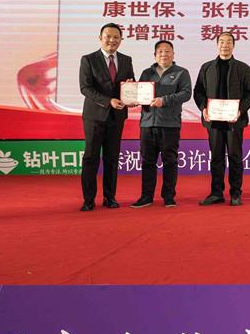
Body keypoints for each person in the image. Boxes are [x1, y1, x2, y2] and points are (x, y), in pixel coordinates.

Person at [193, 32, 250, 206]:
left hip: (234, 121)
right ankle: (216, 193)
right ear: (217, 45)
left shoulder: (243, 68)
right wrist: (203, 108)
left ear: (233, 46)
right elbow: (198, 91)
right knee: (216, 158)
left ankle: (236, 193)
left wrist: (240, 111)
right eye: (221, 42)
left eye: (228, 42)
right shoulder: (207, 67)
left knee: (235, 157)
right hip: (213, 121)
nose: (225, 45)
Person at [78, 23, 135, 211]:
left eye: (116, 37)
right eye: (108, 36)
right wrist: (108, 101)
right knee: (91, 157)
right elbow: (85, 88)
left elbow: (130, 83)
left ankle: (110, 197)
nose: (112, 40)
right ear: (100, 38)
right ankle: (88, 200)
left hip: (117, 117)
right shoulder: (88, 59)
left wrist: (131, 91)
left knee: (112, 158)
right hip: (94, 117)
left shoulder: (126, 60)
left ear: (121, 40)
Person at [130, 40, 192, 209]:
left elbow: (186, 94)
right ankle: (146, 196)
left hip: (169, 125)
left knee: (170, 161)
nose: (164, 54)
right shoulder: (147, 73)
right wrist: (131, 95)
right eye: (160, 51)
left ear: (173, 54)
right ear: (155, 55)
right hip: (147, 124)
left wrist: (163, 101)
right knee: (147, 162)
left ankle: (169, 196)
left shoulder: (181, 73)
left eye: (167, 51)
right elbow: (139, 94)